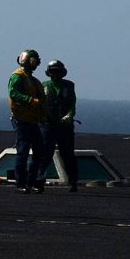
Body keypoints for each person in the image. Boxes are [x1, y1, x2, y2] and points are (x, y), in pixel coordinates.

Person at [8, 49, 46, 194]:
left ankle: (33, 182)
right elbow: (13, 93)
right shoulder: (17, 76)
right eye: (35, 60)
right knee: (22, 152)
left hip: (33, 120)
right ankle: (20, 183)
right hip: (22, 120)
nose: (36, 63)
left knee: (38, 152)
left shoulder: (33, 80)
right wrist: (30, 100)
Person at [39, 60, 79, 192]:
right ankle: (39, 180)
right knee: (45, 154)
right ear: (48, 73)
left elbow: (72, 104)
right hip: (47, 125)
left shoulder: (69, 86)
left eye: (57, 71)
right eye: (52, 71)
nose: (55, 74)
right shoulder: (43, 85)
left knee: (67, 154)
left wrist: (69, 116)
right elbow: (40, 104)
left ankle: (73, 182)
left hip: (65, 126)